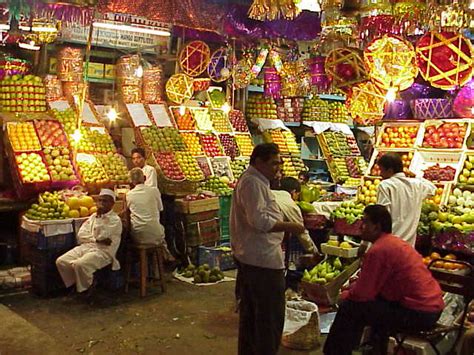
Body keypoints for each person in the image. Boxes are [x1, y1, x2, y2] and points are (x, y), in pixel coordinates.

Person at [324, 205, 444, 355]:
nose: (361, 226)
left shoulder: (379, 250)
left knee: (349, 307)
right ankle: (373, 348)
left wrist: (347, 293)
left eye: (365, 222)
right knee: (370, 306)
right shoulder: (394, 242)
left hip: (419, 313)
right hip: (430, 309)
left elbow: (362, 294)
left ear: (377, 226)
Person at [231, 143, 305, 355]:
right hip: (260, 259)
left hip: (253, 256)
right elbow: (260, 221)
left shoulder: (255, 181)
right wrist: (291, 226)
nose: (278, 167)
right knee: (268, 318)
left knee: (253, 317)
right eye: (274, 163)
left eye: (279, 163)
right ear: (258, 162)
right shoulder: (253, 183)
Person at [56, 189, 123, 293]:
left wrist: (99, 221)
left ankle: (86, 289)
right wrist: (95, 239)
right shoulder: (92, 217)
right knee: (61, 261)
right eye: (99, 201)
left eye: (105, 201)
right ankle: (76, 284)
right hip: (86, 246)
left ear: (112, 204)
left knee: (80, 264)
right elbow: (81, 235)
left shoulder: (115, 220)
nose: (101, 204)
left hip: (103, 252)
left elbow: (101, 236)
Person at [376, 153, 436, 246]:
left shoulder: (385, 185)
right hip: (408, 246)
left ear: (390, 170)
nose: (380, 174)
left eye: (381, 170)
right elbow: (432, 188)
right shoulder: (417, 184)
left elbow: (381, 216)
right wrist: (415, 176)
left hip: (389, 244)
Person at [272, 176, 318, 255]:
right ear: (293, 192)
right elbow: (301, 232)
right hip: (271, 245)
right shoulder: (290, 205)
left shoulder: (268, 193)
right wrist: (314, 251)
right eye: (298, 195)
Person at [125, 168, 165, 247]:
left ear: (131, 181)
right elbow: (160, 209)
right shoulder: (154, 191)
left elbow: (127, 214)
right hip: (156, 233)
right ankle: (165, 254)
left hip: (138, 235)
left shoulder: (128, 194)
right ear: (145, 178)